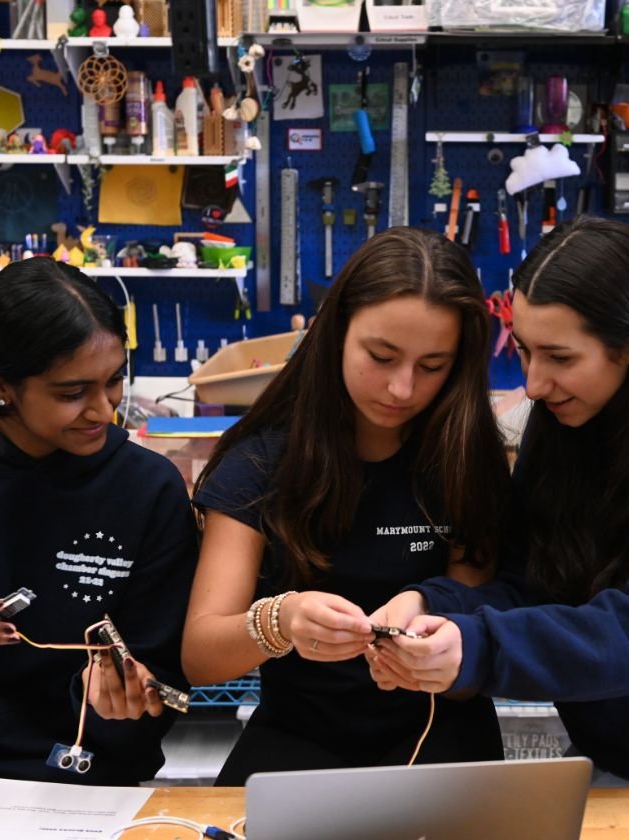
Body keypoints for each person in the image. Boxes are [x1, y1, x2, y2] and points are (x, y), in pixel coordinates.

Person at [367, 215, 629, 781]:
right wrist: (436, 605)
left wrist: (479, 647)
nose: (533, 383)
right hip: (613, 753)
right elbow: (532, 578)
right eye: (525, 350)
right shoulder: (564, 413)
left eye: (560, 357)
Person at [183, 227, 512, 784]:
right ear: (335, 333)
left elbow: (478, 620)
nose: (402, 388)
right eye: (381, 357)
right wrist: (281, 620)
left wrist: (437, 648)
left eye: (432, 365)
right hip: (300, 735)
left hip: (440, 729)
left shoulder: (467, 460)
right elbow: (201, 657)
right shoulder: (261, 463)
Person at [0, 258, 198, 785]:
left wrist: (131, 694)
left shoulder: (146, 489)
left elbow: (162, 666)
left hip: (86, 783)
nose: (103, 410)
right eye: (71, 393)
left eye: (114, 382)